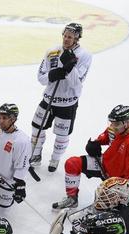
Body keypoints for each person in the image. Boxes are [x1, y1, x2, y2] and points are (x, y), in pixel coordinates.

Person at [53, 104, 129, 209]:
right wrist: (95, 143)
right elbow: (106, 136)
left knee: (109, 207)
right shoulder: (117, 128)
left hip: (119, 180)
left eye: (116, 124)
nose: (113, 126)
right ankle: (72, 199)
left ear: (127, 123)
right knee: (72, 163)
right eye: (112, 123)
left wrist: (123, 193)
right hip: (105, 165)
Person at [30, 23, 92, 172]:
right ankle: (36, 155)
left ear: (77, 38)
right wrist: (53, 75)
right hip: (48, 99)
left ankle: (55, 159)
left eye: (70, 37)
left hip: (67, 103)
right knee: (36, 127)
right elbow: (41, 77)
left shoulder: (84, 56)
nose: (66, 39)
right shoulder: (52, 51)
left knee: (62, 134)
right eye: (65, 36)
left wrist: (69, 69)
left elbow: (77, 83)